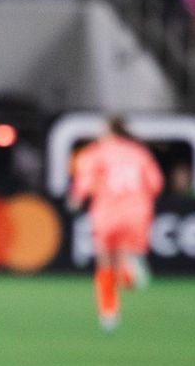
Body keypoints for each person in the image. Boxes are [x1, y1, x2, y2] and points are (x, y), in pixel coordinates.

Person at [68, 116, 164, 331]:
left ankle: (109, 312)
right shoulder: (140, 153)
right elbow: (156, 184)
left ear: (110, 131)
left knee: (105, 262)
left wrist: (76, 198)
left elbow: (85, 181)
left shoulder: (97, 152)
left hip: (108, 211)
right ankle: (129, 270)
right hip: (137, 212)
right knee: (125, 255)